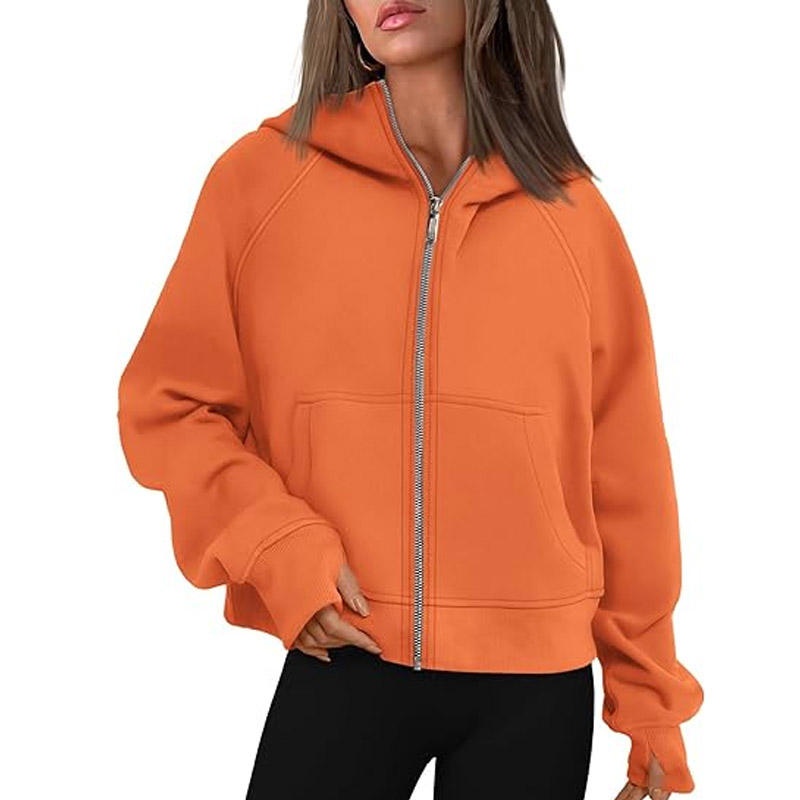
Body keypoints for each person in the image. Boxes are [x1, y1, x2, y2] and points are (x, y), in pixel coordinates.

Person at [116, 1, 704, 798]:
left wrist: (651, 702)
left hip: (535, 683)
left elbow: (629, 477)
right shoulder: (262, 182)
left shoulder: (576, 218)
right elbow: (169, 406)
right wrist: (277, 545)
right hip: (349, 647)